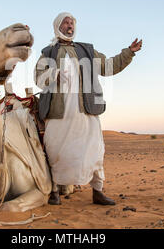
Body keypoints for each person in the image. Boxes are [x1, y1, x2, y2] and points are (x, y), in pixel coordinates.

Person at [34, 12, 142, 205]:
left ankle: (98, 191)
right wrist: (54, 74)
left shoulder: (87, 50)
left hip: (86, 109)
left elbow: (109, 67)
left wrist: (129, 52)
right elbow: (38, 78)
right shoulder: (48, 52)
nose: (70, 25)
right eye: (66, 22)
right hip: (59, 112)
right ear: (57, 26)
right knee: (55, 149)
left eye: (72, 22)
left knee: (94, 150)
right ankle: (54, 191)